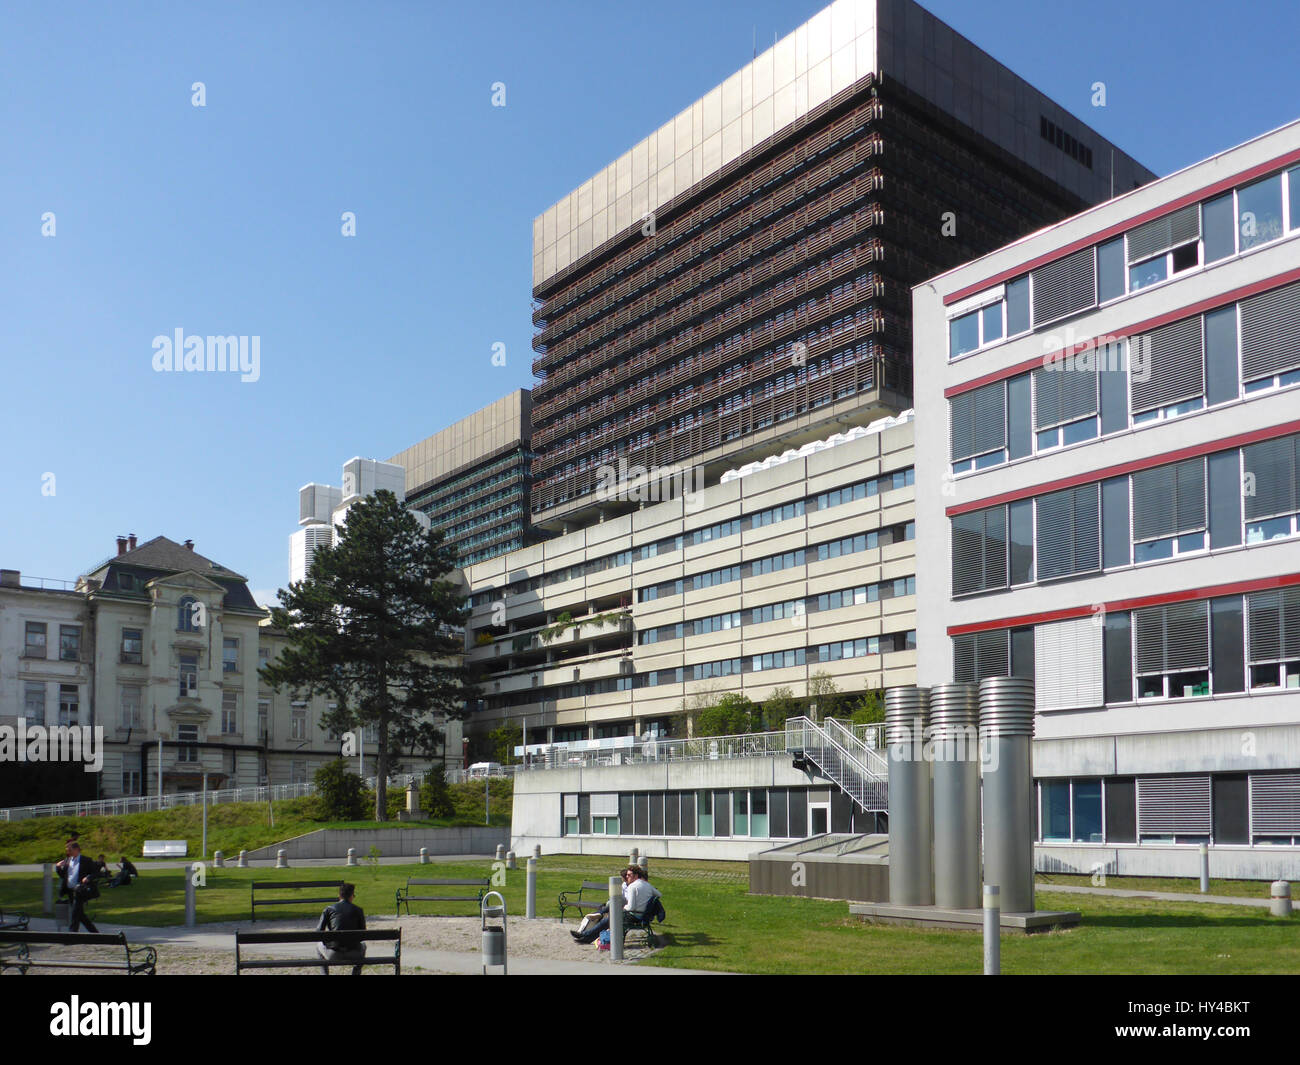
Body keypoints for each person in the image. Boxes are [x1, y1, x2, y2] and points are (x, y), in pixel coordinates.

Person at [570, 865, 661, 945]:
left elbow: (631, 907)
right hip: (644, 915)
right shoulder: (647, 885)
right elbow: (659, 895)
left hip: (635, 916)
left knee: (610, 918)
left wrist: (622, 908)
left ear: (636, 876)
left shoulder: (632, 887)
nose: (627, 876)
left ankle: (585, 935)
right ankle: (586, 937)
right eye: (627, 875)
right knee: (610, 918)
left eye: (629, 875)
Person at [317, 883, 366, 975]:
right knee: (364, 946)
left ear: (339, 896)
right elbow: (363, 934)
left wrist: (328, 943)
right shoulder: (358, 910)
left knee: (318, 946)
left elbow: (319, 932)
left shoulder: (328, 909)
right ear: (351, 896)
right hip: (354, 953)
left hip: (333, 953)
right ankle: (355, 973)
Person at [53, 841, 100, 933]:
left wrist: (88, 877)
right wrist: (58, 868)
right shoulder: (67, 861)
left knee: (74, 913)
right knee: (79, 914)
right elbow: (64, 876)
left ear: (77, 849)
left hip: (80, 890)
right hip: (70, 891)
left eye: (70, 850)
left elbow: (96, 872)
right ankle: (95, 933)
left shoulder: (86, 860)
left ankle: (72, 935)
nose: (68, 852)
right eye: (67, 851)